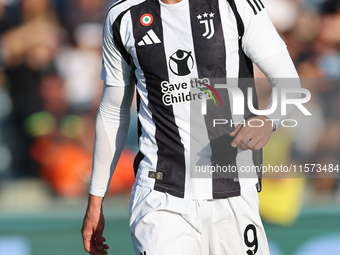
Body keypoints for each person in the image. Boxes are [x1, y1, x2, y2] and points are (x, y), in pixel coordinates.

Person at [81, 0, 300, 254]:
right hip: (160, 192)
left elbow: (289, 84)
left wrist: (269, 120)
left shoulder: (235, 4)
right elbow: (114, 110)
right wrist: (96, 200)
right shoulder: (123, 15)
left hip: (233, 189)